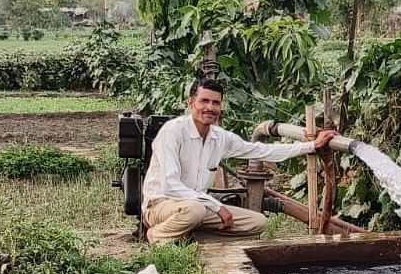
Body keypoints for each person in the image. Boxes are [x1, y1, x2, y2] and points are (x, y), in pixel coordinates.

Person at [142, 78, 337, 243]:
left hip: (199, 207)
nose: (210, 108)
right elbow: (169, 186)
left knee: (257, 222)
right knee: (195, 211)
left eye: (216, 103)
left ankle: (190, 240)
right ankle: (157, 237)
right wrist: (217, 206)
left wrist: (311, 146)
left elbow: (261, 150)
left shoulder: (220, 138)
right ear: (190, 103)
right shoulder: (173, 131)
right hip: (162, 204)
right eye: (204, 101)